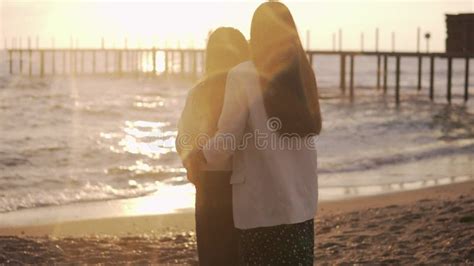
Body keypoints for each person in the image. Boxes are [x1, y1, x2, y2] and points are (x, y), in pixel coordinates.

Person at [192, 2, 322, 265]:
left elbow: (227, 140)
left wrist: (199, 154)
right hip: (300, 206)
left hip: (260, 209)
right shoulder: (303, 75)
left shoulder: (244, 75)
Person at [176, 27, 249, 265]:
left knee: (212, 252)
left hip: (207, 181)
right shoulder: (247, 91)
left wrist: (192, 163)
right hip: (243, 183)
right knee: (239, 253)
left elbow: (183, 138)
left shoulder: (198, 92)